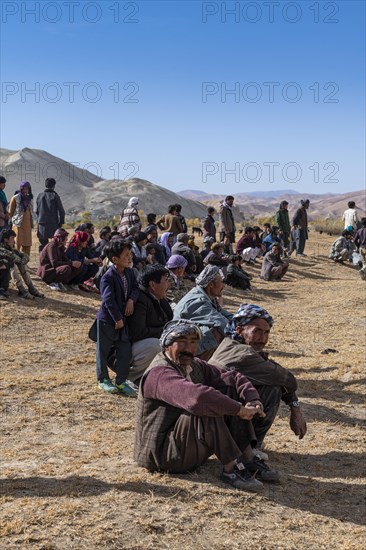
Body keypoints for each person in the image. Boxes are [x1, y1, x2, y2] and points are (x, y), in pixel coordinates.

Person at [134, 319, 280, 491]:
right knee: (206, 405)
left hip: (186, 447)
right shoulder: (159, 373)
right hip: (162, 455)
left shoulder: (193, 365)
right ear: (167, 345)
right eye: (181, 342)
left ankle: (247, 457)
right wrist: (238, 410)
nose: (188, 349)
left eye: (194, 342)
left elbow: (233, 377)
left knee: (228, 391)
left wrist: (252, 399)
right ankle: (231, 469)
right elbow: (197, 398)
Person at [211, 304, 307, 454]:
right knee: (272, 389)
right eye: (257, 332)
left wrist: (295, 407)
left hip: (220, 418)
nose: (262, 339)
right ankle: (250, 448)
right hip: (218, 422)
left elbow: (281, 377)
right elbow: (288, 380)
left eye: (266, 333)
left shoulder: (230, 343)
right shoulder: (243, 354)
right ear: (240, 331)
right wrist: (295, 410)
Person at [93, 239, 139, 396]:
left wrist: (132, 300)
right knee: (103, 350)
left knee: (124, 350)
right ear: (115, 259)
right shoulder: (108, 277)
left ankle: (121, 381)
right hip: (108, 320)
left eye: (130, 254)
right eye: (126, 255)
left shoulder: (130, 273)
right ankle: (103, 380)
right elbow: (108, 300)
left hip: (123, 320)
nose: (130, 257)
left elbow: (135, 288)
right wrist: (117, 318)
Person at [173, 265, 233, 359]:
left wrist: (242, 321)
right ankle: (199, 366)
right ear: (211, 285)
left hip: (188, 335)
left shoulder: (207, 295)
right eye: (221, 282)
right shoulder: (199, 301)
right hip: (179, 342)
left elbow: (222, 313)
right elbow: (221, 322)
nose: (223, 286)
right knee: (215, 332)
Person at [127, 265, 173, 383]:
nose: (168, 285)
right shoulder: (141, 300)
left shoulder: (159, 297)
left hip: (142, 345)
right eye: (166, 281)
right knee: (156, 345)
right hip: (128, 349)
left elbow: (169, 319)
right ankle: (131, 377)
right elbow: (137, 332)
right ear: (152, 285)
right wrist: (164, 332)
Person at [0, 229, 44, 299]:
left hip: (4, 277)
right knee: (13, 265)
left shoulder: (10, 248)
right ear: (5, 240)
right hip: (2, 277)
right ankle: (21, 290)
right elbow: (14, 257)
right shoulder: (2, 249)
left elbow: (25, 255)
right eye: (12, 238)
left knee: (21, 264)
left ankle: (31, 288)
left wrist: (22, 262)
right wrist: (21, 261)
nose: (14, 241)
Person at [36, 178, 65, 251]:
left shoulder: (39, 195)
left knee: (43, 245)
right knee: (55, 244)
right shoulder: (55, 195)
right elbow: (61, 211)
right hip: (53, 224)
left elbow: (37, 211)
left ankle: (43, 260)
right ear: (54, 186)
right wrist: (61, 222)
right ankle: (52, 259)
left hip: (42, 224)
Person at [8, 181, 34, 255]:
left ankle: (24, 263)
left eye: (27, 189)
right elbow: (10, 212)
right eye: (23, 189)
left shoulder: (30, 198)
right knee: (17, 243)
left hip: (28, 225)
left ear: (29, 189)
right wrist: (14, 221)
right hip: (18, 225)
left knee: (27, 244)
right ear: (21, 189)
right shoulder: (15, 198)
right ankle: (17, 262)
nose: (25, 190)